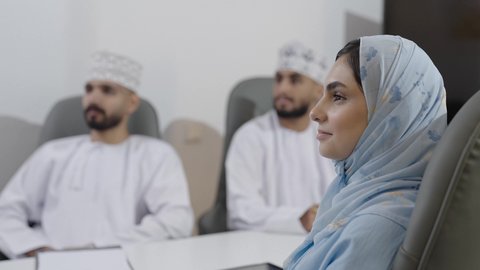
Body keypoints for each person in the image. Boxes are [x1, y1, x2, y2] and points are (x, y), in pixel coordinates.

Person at [0, 51, 194, 259]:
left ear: (132, 103)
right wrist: (36, 248)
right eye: (89, 89)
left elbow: (176, 219)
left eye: (108, 90)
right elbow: (6, 212)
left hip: (121, 260)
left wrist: (101, 249)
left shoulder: (156, 155)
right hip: (49, 262)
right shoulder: (53, 153)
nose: (94, 98)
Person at [283, 35, 447, 269]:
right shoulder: (355, 193)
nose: (315, 112)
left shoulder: (378, 226)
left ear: (392, 114)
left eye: (337, 96)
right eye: (322, 96)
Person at [226, 41, 336, 234]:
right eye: (278, 79)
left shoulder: (331, 137)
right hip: (264, 245)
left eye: (294, 80)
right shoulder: (251, 136)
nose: (282, 89)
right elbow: (241, 213)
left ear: (319, 90)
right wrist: (299, 219)